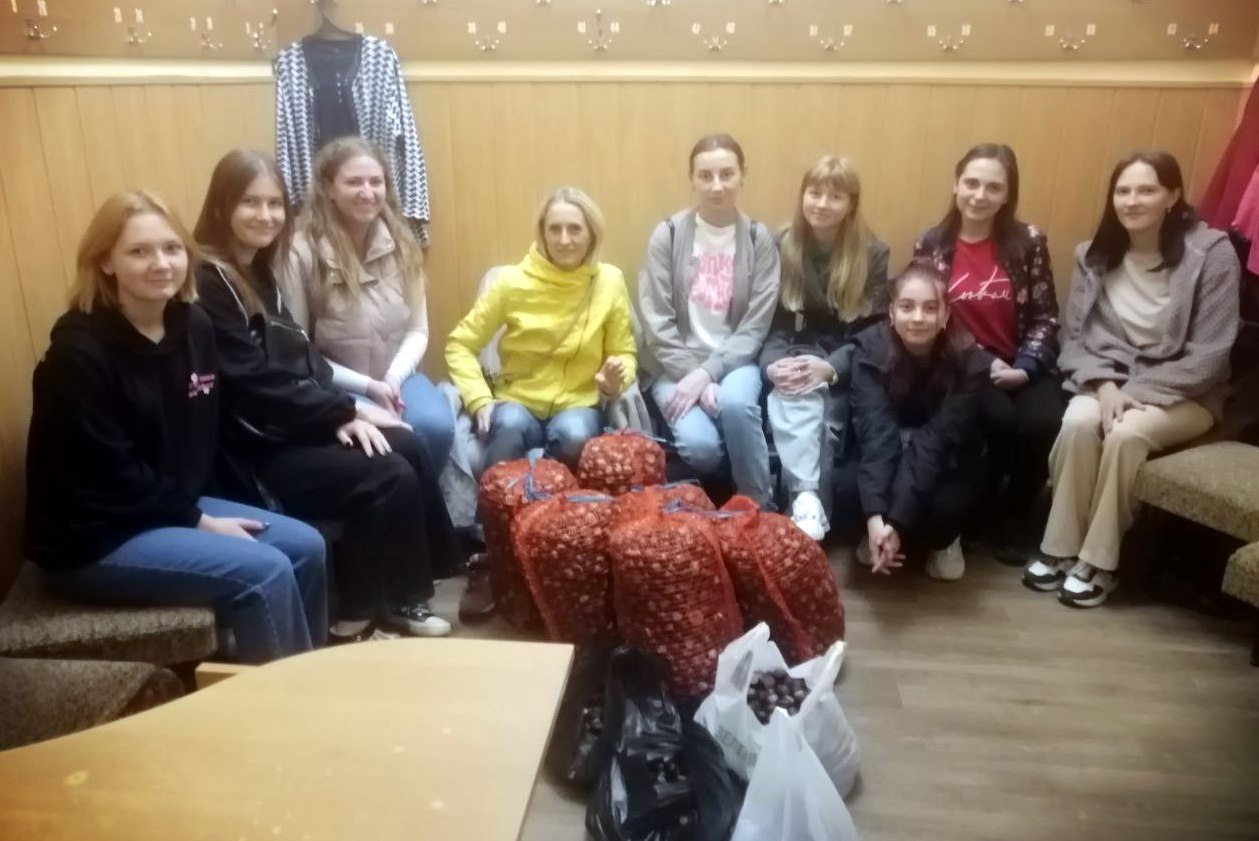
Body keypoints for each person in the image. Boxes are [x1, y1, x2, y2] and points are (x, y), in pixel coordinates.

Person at [23, 190, 326, 664]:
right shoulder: (77, 356)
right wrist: (199, 522)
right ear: (105, 262)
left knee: (307, 546)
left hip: (165, 506)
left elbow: (219, 421)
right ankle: (281, 705)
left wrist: (338, 413)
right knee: (265, 570)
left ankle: (309, 677)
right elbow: (110, 477)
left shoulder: (194, 326)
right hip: (94, 537)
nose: (161, 263)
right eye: (139, 251)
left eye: (172, 248)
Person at [193, 148, 458, 641]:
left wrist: (353, 409)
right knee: (387, 473)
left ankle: (408, 592)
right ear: (221, 205)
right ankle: (355, 617)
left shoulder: (257, 270)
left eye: (274, 204)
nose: (265, 215)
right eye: (251, 202)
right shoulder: (209, 282)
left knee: (405, 440)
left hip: (283, 423)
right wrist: (341, 411)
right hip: (251, 451)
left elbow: (299, 351)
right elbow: (252, 382)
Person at [1026, 151, 1240, 608]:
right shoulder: (1093, 255)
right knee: (1078, 423)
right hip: (1106, 381)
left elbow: (1210, 355)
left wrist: (1131, 394)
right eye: (1123, 191)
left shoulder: (1212, 254)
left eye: (1146, 190)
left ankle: (1101, 562)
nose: (1132, 201)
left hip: (1186, 392)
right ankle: (1060, 548)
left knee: (1125, 434)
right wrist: (1105, 387)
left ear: (1172, 196)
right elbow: (1075, 341)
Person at [913, 143, 1063, 558]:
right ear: (956, 184)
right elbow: (929, 319)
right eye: (972, 183)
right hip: (962, 364)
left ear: (1007, 194)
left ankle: (1014, 515)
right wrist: (981, 359)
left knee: (1043, 421)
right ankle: (979, 513)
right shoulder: (932, 244)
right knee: (998, 419)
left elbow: (1046, 315)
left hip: (1023, 360)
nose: (980, 195)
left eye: (993, 187)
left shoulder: (1028, 242)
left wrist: (1026, 367)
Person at [282, 136, 454, 470]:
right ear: (329, 189)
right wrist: (368, 387)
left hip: (396, 376)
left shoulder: (404, 244)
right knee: (391, 442)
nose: (367, 192)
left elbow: (418, 330)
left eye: (376, 182)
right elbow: (299, 352)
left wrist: (392, 379)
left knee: (436, 427)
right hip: (337, 384)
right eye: (354, 182)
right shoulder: (300, 253)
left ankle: (423, 496)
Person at [446, 187, 637, 470]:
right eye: (554, 229)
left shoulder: (609, 281)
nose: (564, 240)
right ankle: (499, 498)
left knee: (574, 434)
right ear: (543, 234)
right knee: (509, 425)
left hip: (578, 405)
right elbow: (460, 345)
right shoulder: (511, 282)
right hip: (517, 401)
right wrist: (478, 398)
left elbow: (624, 352)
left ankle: (548, 496)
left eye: (575, 229)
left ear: (592, 234)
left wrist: (614, 382)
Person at [638, 133, 780, 508]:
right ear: (692, 179)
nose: (717, 186)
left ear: (742, 175)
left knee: (736, 406)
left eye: (726, 174)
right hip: (673, 366)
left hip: (736, 361)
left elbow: (755, 325)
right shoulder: (668, 235)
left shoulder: (758, 238)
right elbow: (657, 320)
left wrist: (709, 373)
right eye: (706, 176)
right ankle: (718, 505)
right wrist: (694, 376)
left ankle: (757, 508)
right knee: (701, 449)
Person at [761, 155, 890, 540]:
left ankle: (805, 507)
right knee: (795, 393)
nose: (822, 203)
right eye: (814, 193)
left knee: (825, 420)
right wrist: (772, 366)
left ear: (851, 204)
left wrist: (831, 368)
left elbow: (872, 332)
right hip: (793, 350)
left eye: (835, 196)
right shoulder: (781, 244)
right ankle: (810, 514)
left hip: (847, 358)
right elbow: (771, 324)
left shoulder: (873, 253)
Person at [843, 261, 989, 581]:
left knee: (943, 508)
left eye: (930, 308)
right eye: (907, 307)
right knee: (848, 490)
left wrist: (896, 521)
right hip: (888, 444)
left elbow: (936, 442)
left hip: (944, 456)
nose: (918, 318)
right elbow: (876, 434)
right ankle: (878, 535)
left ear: (946, 315)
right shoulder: (869, 350)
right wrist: (875, 518)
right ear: (892, 312)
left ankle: (940, 542)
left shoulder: (972, 363)